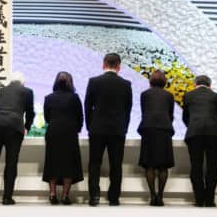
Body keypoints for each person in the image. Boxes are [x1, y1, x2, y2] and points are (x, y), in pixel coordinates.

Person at [84, 53, 133, 206]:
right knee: (116, 164)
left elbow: (87, 106)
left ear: (103, 64)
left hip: (97, 128)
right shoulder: (126, 84)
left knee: (94, 163)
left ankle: (94, 196)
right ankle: (114, 197)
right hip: (117, 129)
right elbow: (128, 109)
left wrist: (90, 126)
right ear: (119, 66)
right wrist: (124, 127)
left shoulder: (93, 82)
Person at [0, 71, 35, 206]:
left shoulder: (1, 91)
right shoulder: (27, 92)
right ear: (22, 82)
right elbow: (30, 112)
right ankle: (7, 197)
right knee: (11, 161)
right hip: (14, 126)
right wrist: (27, 127)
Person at [182, 74, 217, 208]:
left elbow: (185, 117)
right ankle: (210, 199)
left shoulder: (188, 96)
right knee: (212, 166)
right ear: (210, 85)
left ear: (195, 84)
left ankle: (199, 199)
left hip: (195, 133)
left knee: (196, 166)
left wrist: (193, 126)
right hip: (214, 133)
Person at [42, 71, 84, 205]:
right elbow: (80, 117)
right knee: (69, 163)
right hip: (69, 133)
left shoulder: (49, 98)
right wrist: (76, 129)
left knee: (52, 162)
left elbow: (47, 118)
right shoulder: (74, 98)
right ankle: (65, 195)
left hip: (53, 132)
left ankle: (52, 193)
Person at [137, 70, 175, 206]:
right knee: (163, 165)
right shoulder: (169, 95)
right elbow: (171, 115)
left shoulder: (145, 95)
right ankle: (160, 196)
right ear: (164, 81)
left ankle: (152, 195)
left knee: (149, 164)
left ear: (151, 81)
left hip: (148, 129)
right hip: (164, 130)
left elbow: (144, 112)